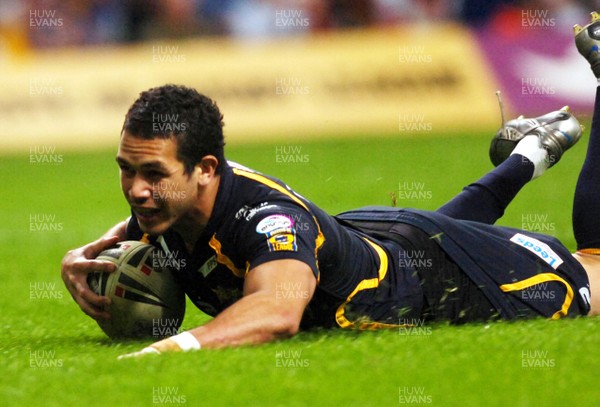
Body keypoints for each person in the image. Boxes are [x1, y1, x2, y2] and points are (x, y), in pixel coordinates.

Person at [61, 13, 600, 356]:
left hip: (438, 280)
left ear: (205, 170)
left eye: (153, 173)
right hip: (381, 241)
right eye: (126, 169)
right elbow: (130, 226)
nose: (135, 189)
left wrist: (167, 351)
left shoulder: (268, 220)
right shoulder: (170, 206)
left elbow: (276, 312)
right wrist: (79, 258)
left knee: (593, 266)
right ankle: (531, 152)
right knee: (436, 236)